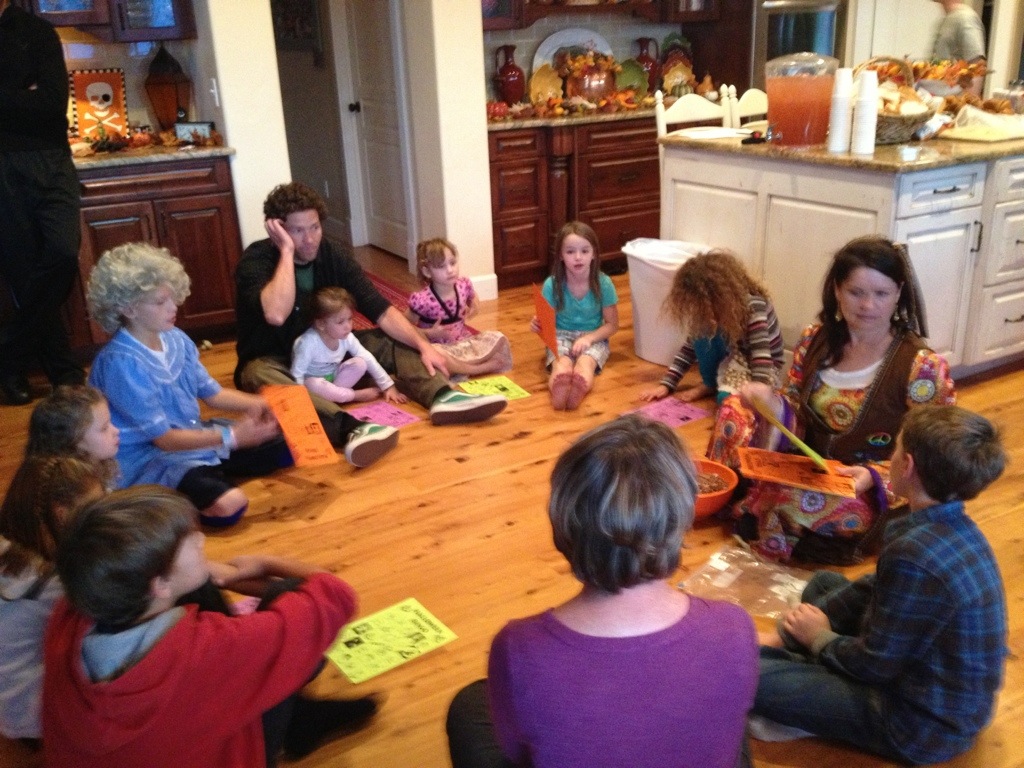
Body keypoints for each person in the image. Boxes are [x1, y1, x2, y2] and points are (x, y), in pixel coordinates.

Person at [446, 415, 758, 768]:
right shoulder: (736, 627)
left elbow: (518, 753)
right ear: (684, 516)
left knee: (469, 706)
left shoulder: (518, 648)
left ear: (563, 522)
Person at [43, 485, 377, 768]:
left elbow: (192, 579)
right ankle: (298, 723)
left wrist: (225, 575)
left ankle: (299, 718)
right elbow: (335, 595)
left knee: (203, 589)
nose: (202, 540)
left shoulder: (70, 614)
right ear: (158, 584)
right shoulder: (209, 651)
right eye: (190, 540)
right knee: (292, 609)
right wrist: (265, 563)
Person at [751, 405, 1008, 765]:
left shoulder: (915, 555)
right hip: (940, 694)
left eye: (896, 449)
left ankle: (805, 673)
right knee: (823, 585)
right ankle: (803, 661)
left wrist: (819, 638)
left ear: (908, 466)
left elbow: (874, 664)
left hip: (919, 725)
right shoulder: (950, 526)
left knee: (752, 676)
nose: (891, 458)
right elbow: (871, 587)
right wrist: (787, 635)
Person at [707, 236, 955, 563]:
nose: (868, 306)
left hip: (866, 487)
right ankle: (744, 496)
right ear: (837, 290)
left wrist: (874, 476)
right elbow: (795, 408)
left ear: (898, 293)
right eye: (856, 292)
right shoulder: (815, 339)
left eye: (881, 294)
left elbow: (936, 449)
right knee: (733, 411)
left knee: (793, 499)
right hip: (808, 464)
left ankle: (757, 506)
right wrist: (770, 403)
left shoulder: (922, 366)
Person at [234, 182, 507, 444]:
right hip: (274, 362)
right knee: (263, 378)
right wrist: (286, 251)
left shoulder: (332, 254)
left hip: (332, 355)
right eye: (297, 231)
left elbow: (380, 309)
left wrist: (424, 345)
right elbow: (276, 314)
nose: (309, 239)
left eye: (315, 227)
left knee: (396, 338)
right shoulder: (257, 259)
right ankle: (350, 428)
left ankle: (442, 397)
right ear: (277, 230)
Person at [86, 243, 292, 527]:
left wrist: (266, 403)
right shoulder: (120, 363)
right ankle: (166, 499)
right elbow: (164, 440)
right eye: (160, 302)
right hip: (152, 457)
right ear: (128, 308)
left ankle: (204, 477)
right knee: (229, 506)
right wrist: (233, 436)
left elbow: (213, 394)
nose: (173, 307)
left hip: (190, 438)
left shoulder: (175, 338)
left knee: (285, 445)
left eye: (172, 297)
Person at [0, 0, 85, 405]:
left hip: (51, 159)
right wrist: (21, 95)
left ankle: (9, 355)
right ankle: (64, 372)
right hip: (1, 166)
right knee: (25, 271)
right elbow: (34, 104)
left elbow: (51, 103)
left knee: (63, 253)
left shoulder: (36, 32)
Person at [0, 456, 105, 744]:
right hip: (29, 714)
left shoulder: (11, 551)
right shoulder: (52, 584)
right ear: (61, 513)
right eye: (93, 507)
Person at [638, 249, 784, 406]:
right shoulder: (712, 313)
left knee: (729, 400)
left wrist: (759, 388)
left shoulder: (753, 307)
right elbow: (689, 349)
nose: (704, 312)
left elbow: (760, 355)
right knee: (701, 333)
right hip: (735, 356)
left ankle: (719, 387)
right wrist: (667, 384)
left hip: (764, 367)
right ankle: (709, 384)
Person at [530, 222, 619, 411]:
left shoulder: (604, 283)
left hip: (594, 336)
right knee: (561, 365)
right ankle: (559, 390)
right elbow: (546, 324)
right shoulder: (552, 285)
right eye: (570, 252)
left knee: (585, 364)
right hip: (560, 334)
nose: (578, 257)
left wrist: (589, 338)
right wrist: (538, 325)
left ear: (594, 253)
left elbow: (612, 325)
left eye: (584, 251)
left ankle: (579, 388)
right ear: (561, 255)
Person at [405, 237, 512, 379]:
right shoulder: (422, 300)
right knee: (437, 357)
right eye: (441, 266)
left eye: (452, 263)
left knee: (498, 337)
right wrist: (430, 333)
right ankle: (480, 368)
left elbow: (473, 297)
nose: (450, 270)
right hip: (439, 348)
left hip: (462, 343)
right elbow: (404, 327)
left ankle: (460, 368)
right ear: (427, 272)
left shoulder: (463, 285)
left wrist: (474, 304)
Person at [291, 286, 407, 405]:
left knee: (360, 363)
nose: (348, 326)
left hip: (334, 381)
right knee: (313, 384)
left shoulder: (347, 337)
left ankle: (335, 397)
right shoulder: (308, 343)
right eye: (340, 322)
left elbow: (367, 357)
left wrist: (388, 386)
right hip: (312, 388)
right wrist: (300, 402)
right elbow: (296, 374)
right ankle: (353, 396)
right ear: (321, 324)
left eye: (350, 319)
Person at [25, 384, 121, 490]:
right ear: (73, 442)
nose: (116, 430)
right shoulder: (78, 490)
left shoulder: (98, 466)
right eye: (104, 428)